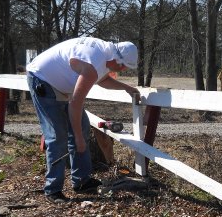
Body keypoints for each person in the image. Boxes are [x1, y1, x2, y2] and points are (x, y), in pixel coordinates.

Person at [26, 37, 140, 204]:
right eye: (123, 66)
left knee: (82, 128)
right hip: (42, 79)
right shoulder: (93, 61)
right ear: (116, 59)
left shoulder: (104, 56)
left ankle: (81, 181)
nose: (122, 70)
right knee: (57, 137)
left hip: (62, 85)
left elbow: (102, 80)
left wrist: (126, 88)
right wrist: (78, 138)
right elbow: (76, 103)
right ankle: (53, 190)